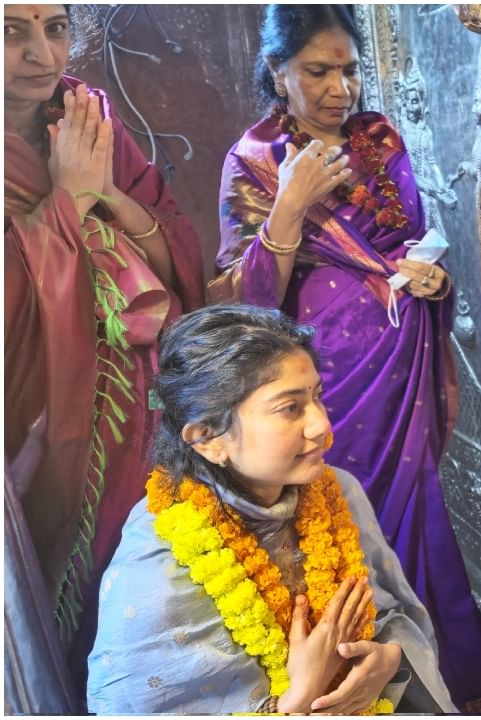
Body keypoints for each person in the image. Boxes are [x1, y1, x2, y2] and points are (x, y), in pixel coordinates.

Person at [210, 5, 481, 711]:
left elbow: (408, 240)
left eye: (349, 69)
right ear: (278, 74)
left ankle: (453, 688)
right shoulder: (254, 160)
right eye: (318, 71)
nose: (341, 88)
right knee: (346, 521)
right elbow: (241, 303)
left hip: (400, 362)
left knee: (420, 519)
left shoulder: (378, 138)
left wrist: (431, 275)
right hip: (329, 382)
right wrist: (288, 206)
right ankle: (357, 687)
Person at [86, 304, 457, 714]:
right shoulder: (158, 564)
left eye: (317, 397)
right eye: (289, 408)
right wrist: (298, 699)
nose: (321, 426)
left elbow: (393, 616)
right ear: (208, 438)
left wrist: (388, 661)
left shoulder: (340, 493)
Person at [3, 1, 204, 676]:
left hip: (142, 399)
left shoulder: (90, 117)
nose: (43, 55)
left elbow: (174, 243)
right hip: (41, 411)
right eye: (11, 32)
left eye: (55, 29)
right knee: (69, 584)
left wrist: (100, 194)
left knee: (155, 563)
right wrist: (67, 201)